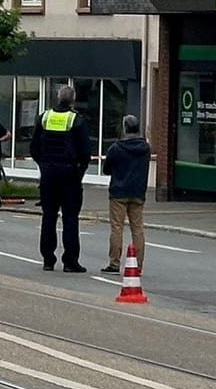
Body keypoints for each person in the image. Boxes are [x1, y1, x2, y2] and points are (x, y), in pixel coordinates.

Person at [30, 84, 90, 273]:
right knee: (70, 218)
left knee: (48, 217)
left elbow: (33, 147)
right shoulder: (76, 120)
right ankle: (70, 261)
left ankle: (48, 259)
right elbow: (85, 152)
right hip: (70, 174)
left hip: (48, 174)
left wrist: (44, 165)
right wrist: (79, 171)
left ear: (58, 98)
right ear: (72, 100)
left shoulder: (45, 117)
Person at [102, 114, 152, 274]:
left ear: (124, 128)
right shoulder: (145, 148)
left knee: (117, 227)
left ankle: (114, 263)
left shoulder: (116, 148)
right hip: (138, 192)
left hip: (119, 192)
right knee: (137, 228)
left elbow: (106, 169)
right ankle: (138, 265)